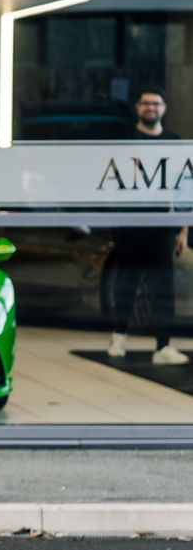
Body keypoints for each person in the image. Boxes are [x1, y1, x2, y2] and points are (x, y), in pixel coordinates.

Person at [105, 88, 189, 365]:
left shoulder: (175, 142)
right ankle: (119, 338)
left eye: (156, 104)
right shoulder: (125, 139)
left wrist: (182, 230)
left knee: (162, 285)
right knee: (127, 282)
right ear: (138, 108)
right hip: (130, 222)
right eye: (146, 104)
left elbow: (181, 189)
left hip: (161, 224)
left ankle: (163, 345)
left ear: (164, 108)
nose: (151, 108)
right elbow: (111, 179)